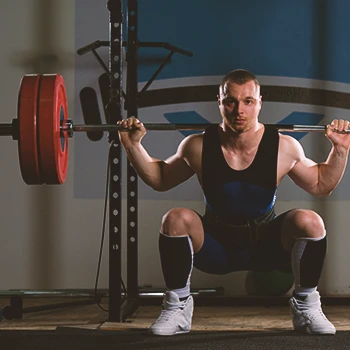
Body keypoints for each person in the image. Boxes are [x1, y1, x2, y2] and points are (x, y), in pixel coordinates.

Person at [118, 69, 350, 336]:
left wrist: (340, 149)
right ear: (219, 102)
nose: (239, 109)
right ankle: (177, 308)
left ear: (259, 103)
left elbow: (321, 185)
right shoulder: (196, 145)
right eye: (231, 101)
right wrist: (132, 145)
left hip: (265, 248)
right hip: (215, 247)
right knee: (175, 218)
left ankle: (306, 306)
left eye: (248, 101)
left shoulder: (284, 147)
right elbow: (160, 179)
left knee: (311, 221)